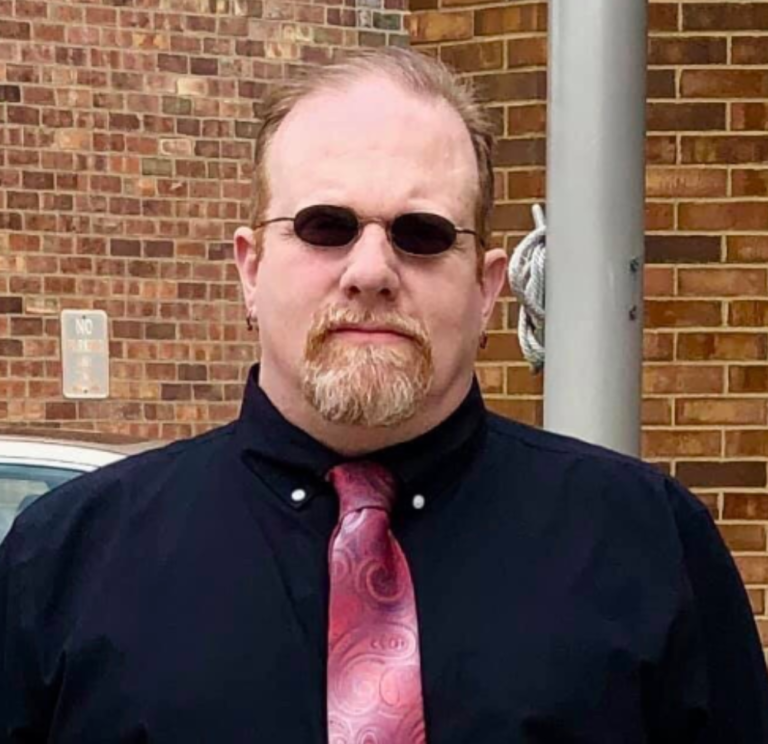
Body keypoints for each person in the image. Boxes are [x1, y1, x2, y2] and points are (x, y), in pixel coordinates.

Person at [1, 47, 766, 744]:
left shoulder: (648, 547)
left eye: (421, 234)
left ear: (487, 288)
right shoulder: (63, 564)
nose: (370, 271)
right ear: (250, 269)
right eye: (325, 226)